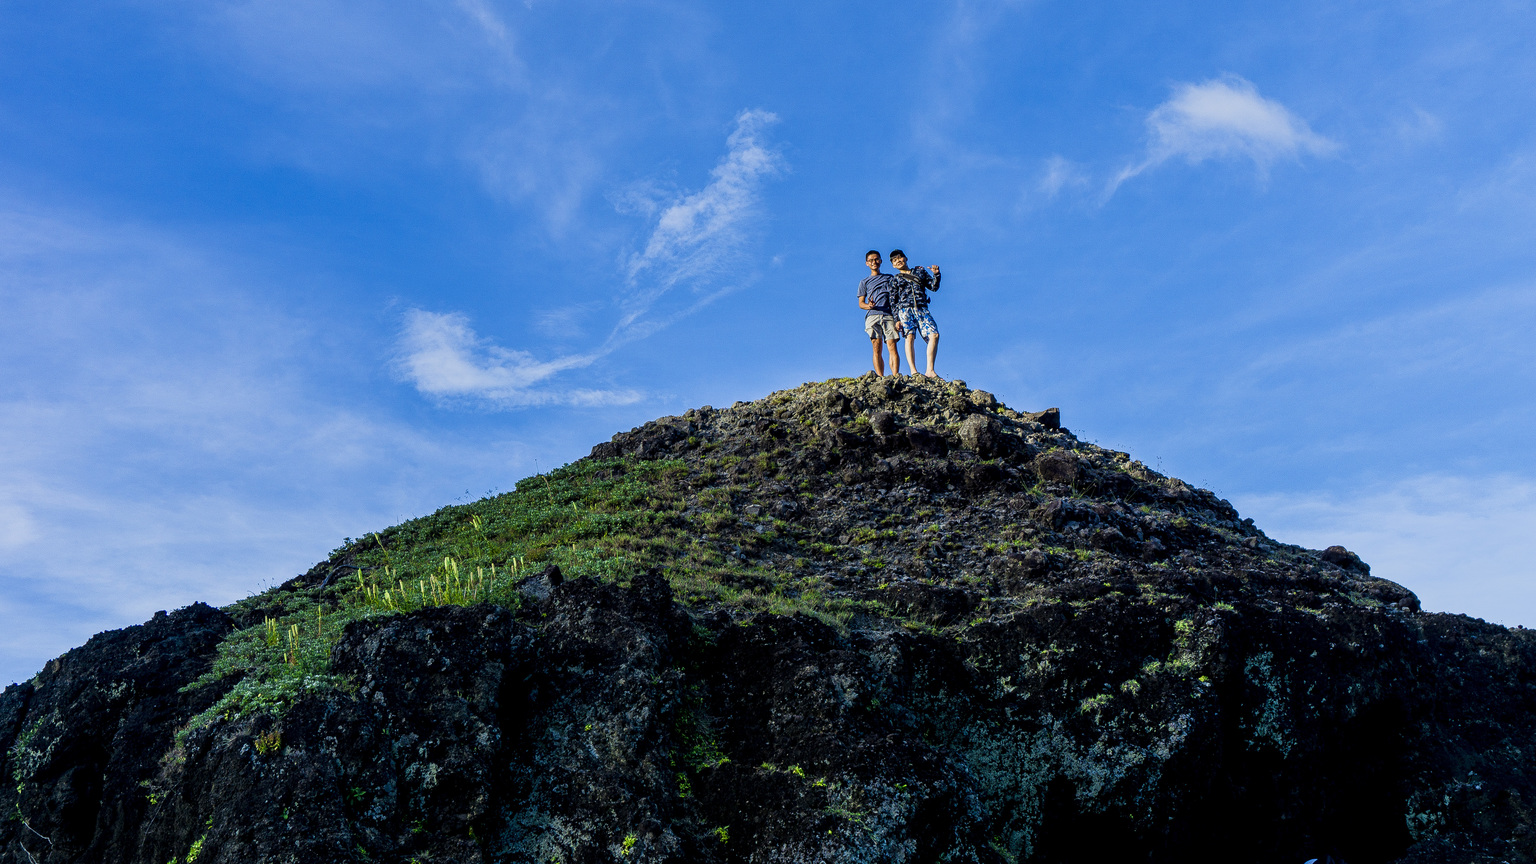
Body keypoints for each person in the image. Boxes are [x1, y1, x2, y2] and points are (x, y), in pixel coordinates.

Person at [889, 249, 941, 378]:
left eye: (900, 258)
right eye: (895, 261)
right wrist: (896, 319)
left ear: (906, 258)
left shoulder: (920, 271)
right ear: (893, 265)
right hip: (904, 310)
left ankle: (930, 369)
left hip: (922, 308)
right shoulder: (895, 279)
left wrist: (936, 275)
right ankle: (913, 370)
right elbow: (893, 301)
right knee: (909, 337)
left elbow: (933, 287)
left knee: (934, 335)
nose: (898, 261)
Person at [858, 250, 903, 376]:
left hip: (888, 314)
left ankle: (895, 375)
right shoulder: (864, 282)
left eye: (876, 259)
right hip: (872, 315)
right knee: (876, 346)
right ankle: (880, 377)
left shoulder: (889, 278)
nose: (874, 262)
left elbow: (897, 297)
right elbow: (861, 303)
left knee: (892, 344)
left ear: (881, 261)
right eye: (871, 260)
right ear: (867, 263)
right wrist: (869, 306)